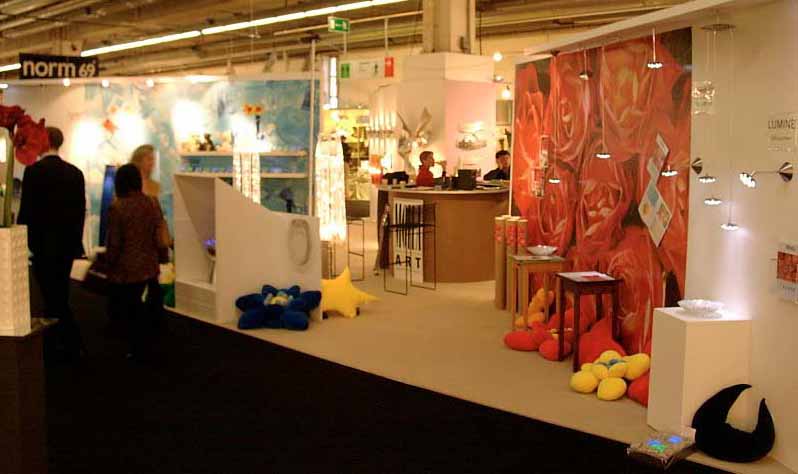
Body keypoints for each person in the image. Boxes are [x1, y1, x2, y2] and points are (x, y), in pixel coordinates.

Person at [18, 126, 86, 361]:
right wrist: (75, 242)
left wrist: (27, 241)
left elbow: (26, 212)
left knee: (52, 295)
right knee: (58, 293)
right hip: (66, 246)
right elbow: (79, 213)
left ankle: (66, 342)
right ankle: (60, 343)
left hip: (42, 246)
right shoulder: (75, 173)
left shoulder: (33, 172)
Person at [106, 164, 168, 361]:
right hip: (149, 266)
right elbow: (160, 235)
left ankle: (132, 348)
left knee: (127, 310)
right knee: (149, 307)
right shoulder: (152, 203)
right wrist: (163, 258)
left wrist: (108, 263)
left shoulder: (117, 208)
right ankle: (152, 343)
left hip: (126, 271)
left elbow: (114, 243)